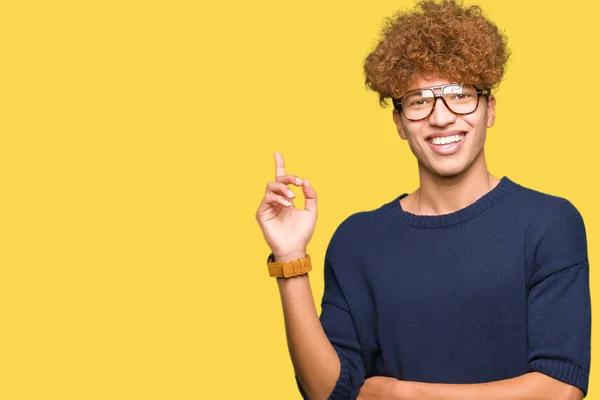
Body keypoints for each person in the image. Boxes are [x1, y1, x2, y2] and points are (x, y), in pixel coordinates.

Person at [255, 0, 591, 399]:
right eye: (419, 101)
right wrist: (290, 259)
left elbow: (559, 390)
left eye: (460, 95)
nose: (442, 116)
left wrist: (404, 394)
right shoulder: (357, 240)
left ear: (489, 110)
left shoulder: (549, 223)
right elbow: (328, 391)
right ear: (399, 122)